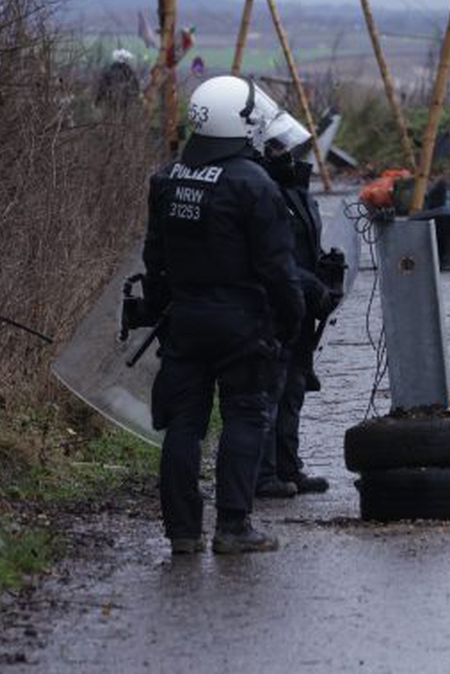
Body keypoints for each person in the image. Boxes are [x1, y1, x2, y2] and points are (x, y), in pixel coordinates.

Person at [140, 75, 304, 555]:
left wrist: (163, 310)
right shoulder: (254, 184)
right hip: (242, 323)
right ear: (241, 122)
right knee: (245, 416)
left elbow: (154, 258)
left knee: (183, 424)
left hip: (185, 320)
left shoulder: (166, 178)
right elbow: (278, 267)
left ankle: (182, 532)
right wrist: (292, 320)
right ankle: (233, 527)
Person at [252, 103, 341, 501]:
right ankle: (263, 474)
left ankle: (288, 467)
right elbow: (271, 258)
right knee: (270, 391)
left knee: (294, 388)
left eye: (285, 148)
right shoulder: (262, 192)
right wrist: (310, 284)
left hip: (300, 308)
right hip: (274, 308)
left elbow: (301, 248)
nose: (286, 155)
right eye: (276, 149)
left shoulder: (295, 189)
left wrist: (327, 270)